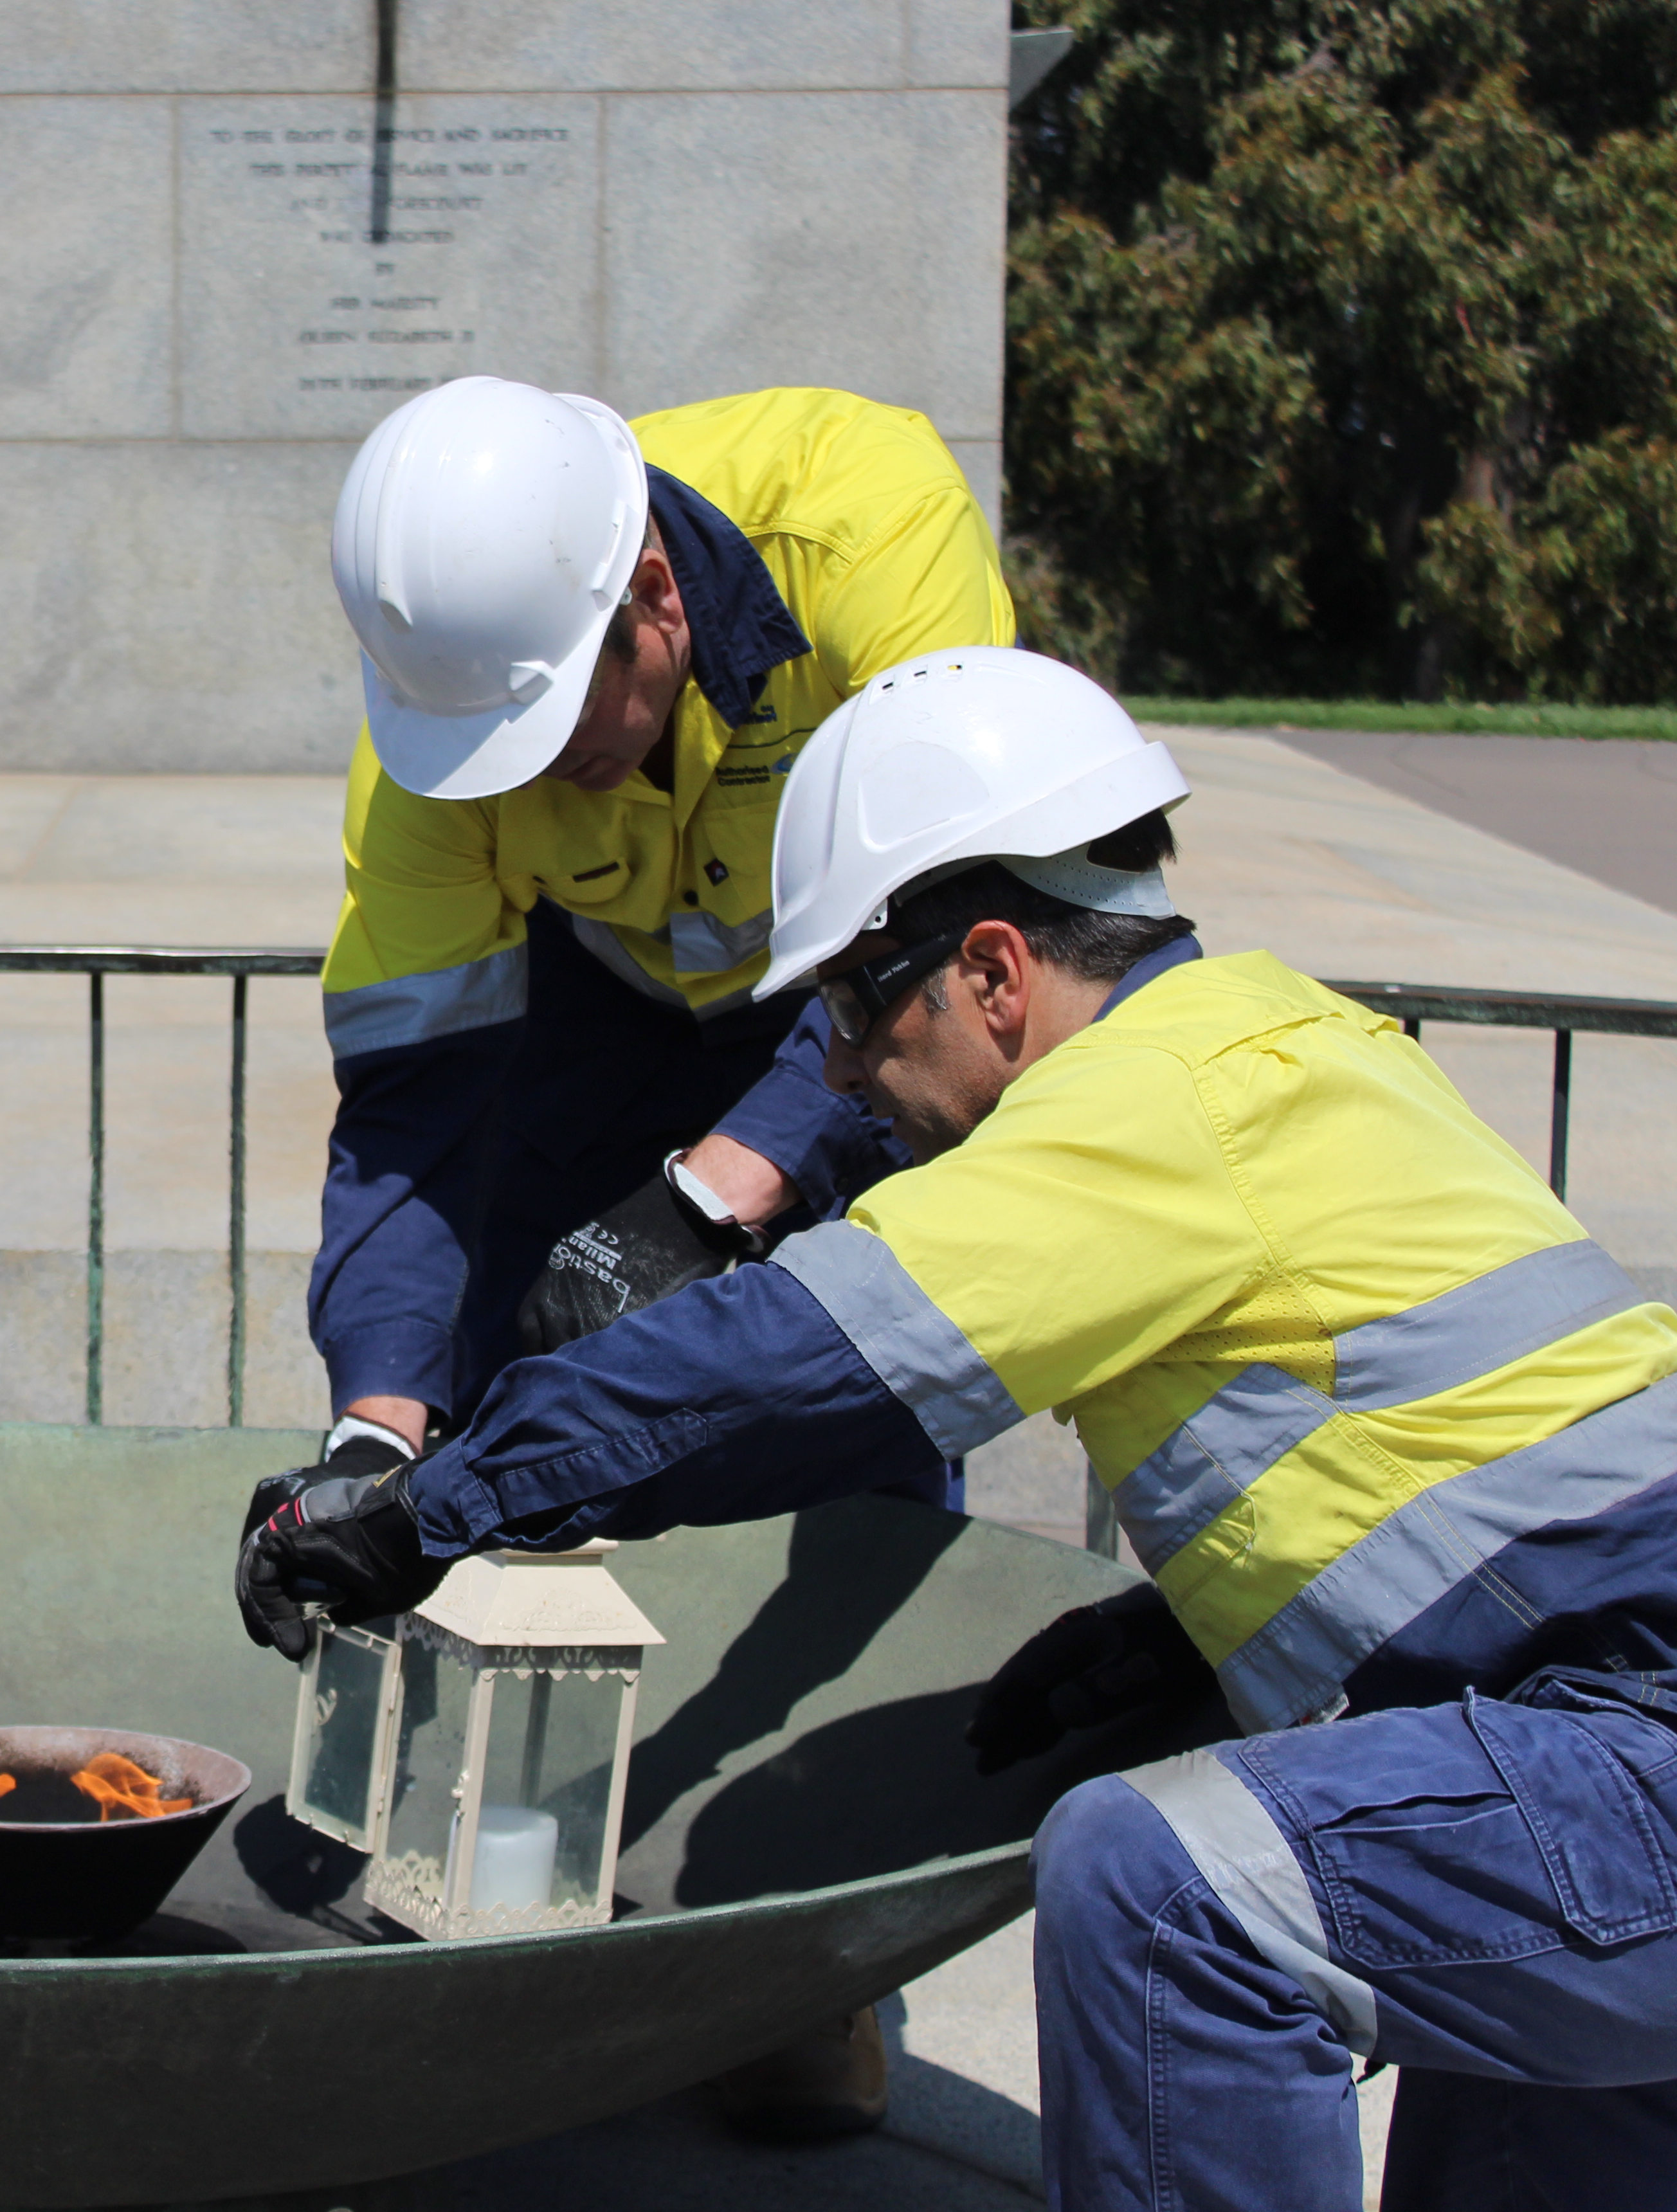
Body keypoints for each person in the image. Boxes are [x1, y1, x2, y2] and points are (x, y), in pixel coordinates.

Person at [237, 646, 1677, 2209]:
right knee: (1503, 2074)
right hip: (1598, 1720)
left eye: (856, 1002)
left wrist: (424, 1508)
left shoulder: (1134, 1102)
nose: (844, 1067)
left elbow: (770, 1367)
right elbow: (1466, 1461)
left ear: (994, 973)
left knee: (1168, 1885)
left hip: (1629, 1744)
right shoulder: (1294, 1044)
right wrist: (1185, 1634)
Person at [292, 376, 1014, 2128]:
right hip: (602, 1020)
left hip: (861, 1004)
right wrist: (371, 1432)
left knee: (842, 1426)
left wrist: (727, 1191)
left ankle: (795, 1969)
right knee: (488, 1432)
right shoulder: (453, 715)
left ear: (660, 606)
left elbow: (953, 937)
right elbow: (413, 1109)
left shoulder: (865, 521)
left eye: (563, 726)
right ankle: (482, 1908)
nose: (533, 773)